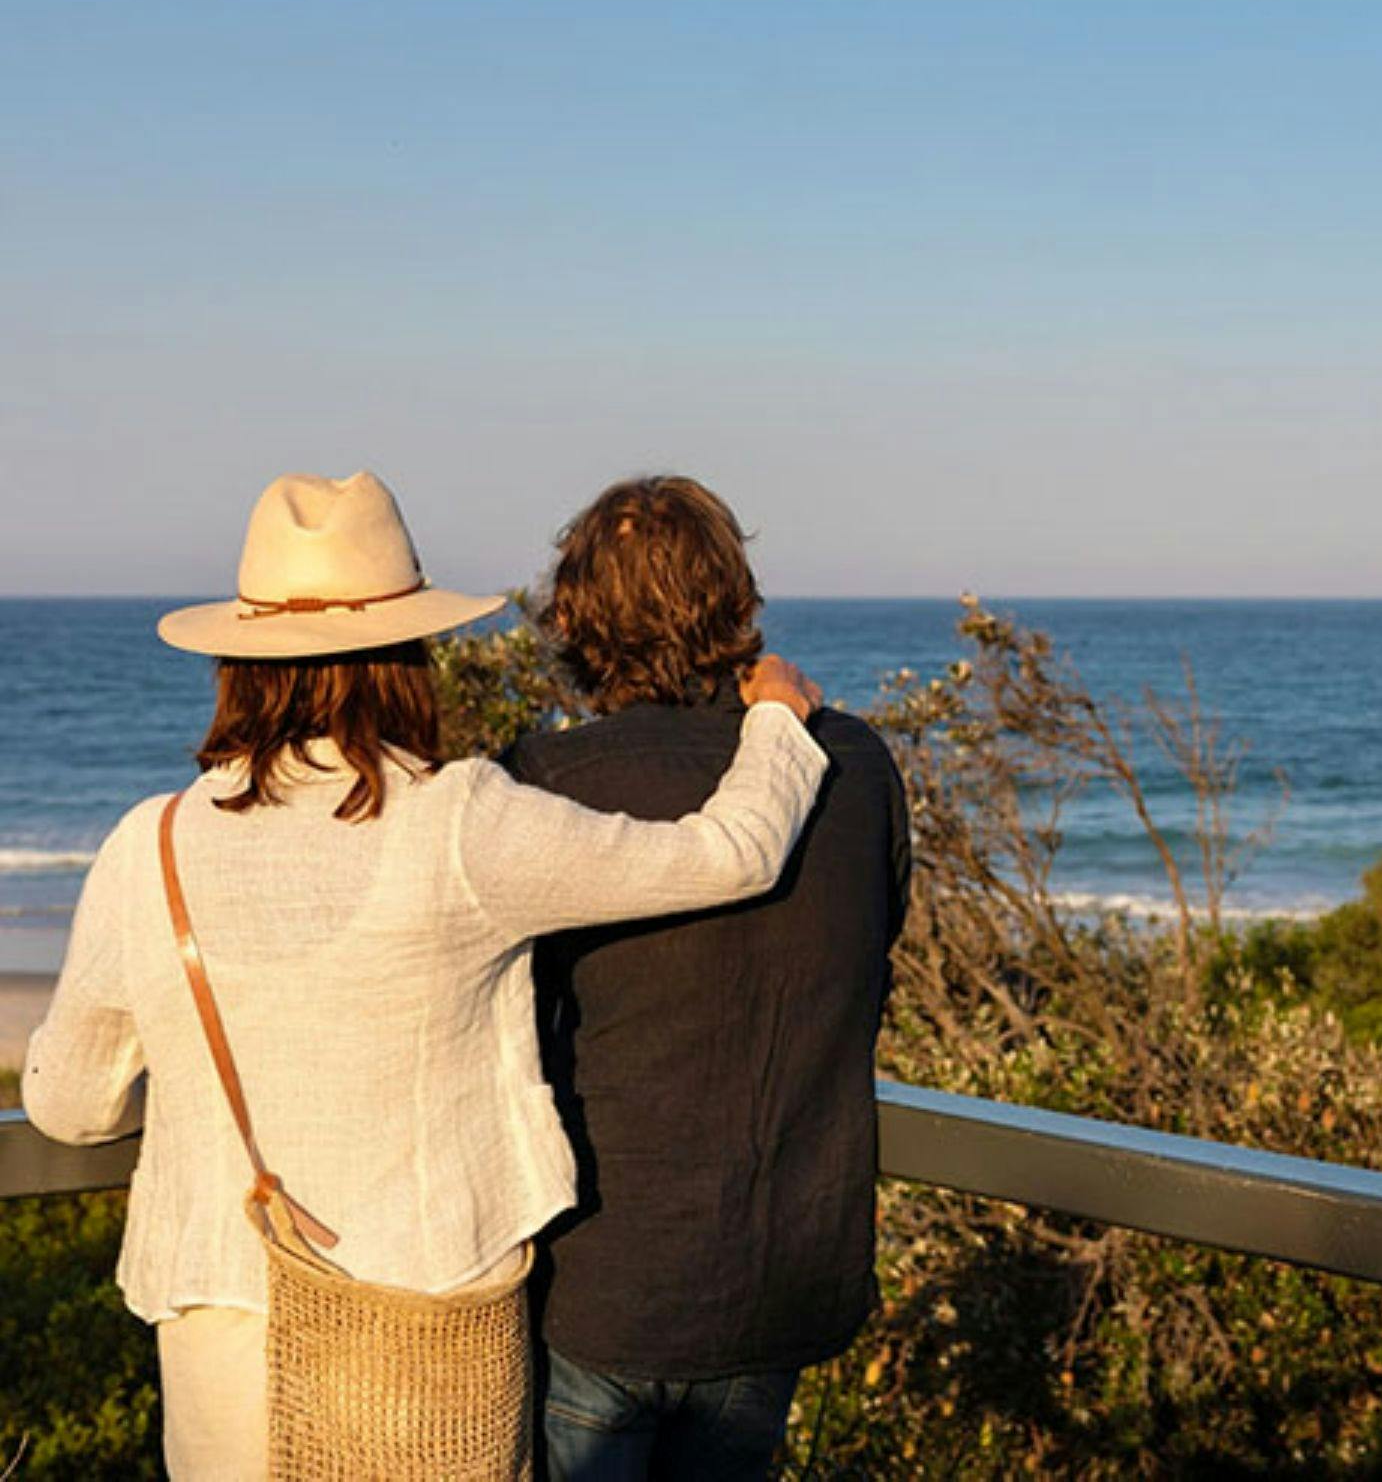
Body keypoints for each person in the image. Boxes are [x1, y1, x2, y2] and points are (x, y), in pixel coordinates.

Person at [23, 471, 831, 1480]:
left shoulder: (149, 847)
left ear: (238, 661)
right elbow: (729, 857)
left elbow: (71, 1108)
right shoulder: (460, 823)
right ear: (408, 652)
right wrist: (777, 723)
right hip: (428, 1339)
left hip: (225, 1331)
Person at [508, 476, 909, 1481]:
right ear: (736, 601)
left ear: (573, 619)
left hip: (600, 1278)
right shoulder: (855, 767)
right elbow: (870, 966)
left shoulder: (542, 782)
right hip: (778, 1275)